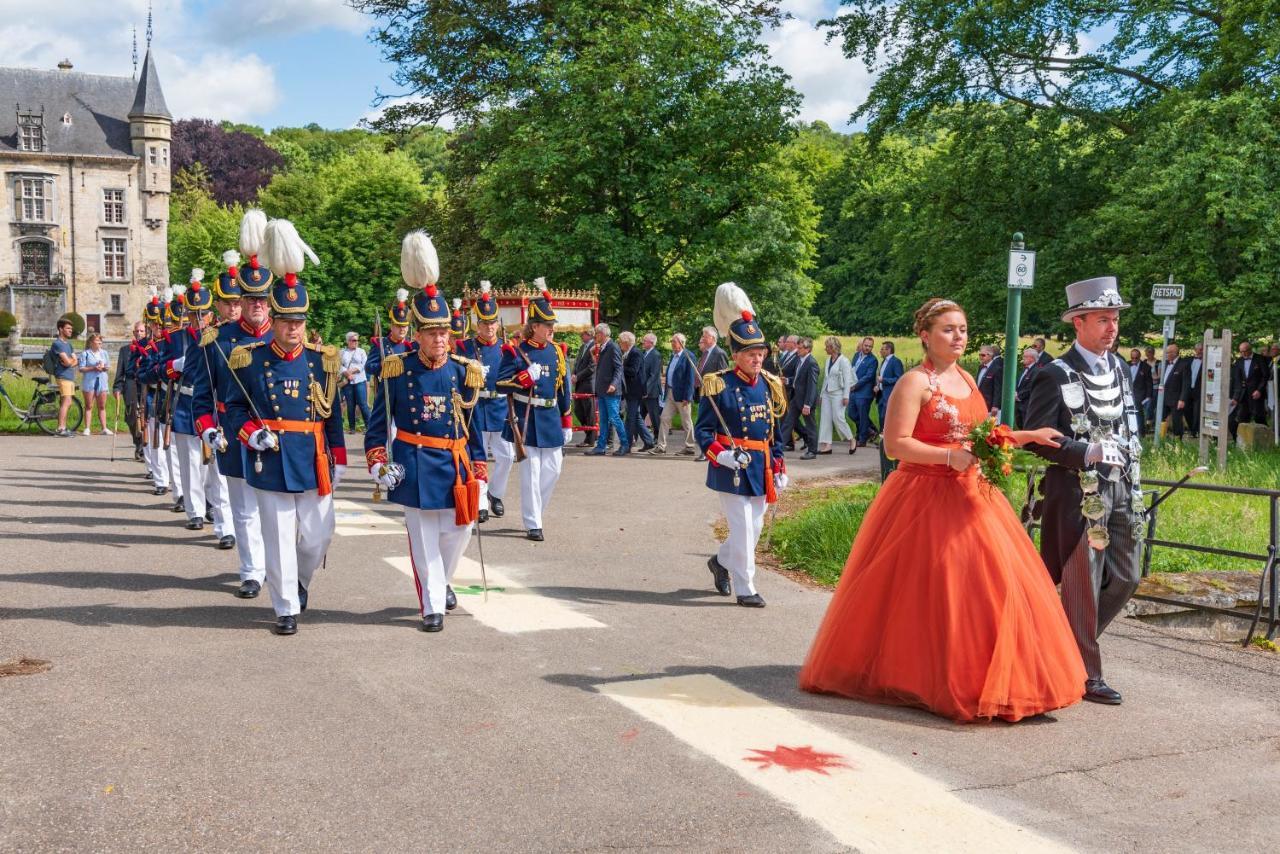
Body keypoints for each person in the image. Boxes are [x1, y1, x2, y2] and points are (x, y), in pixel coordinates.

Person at [800, 297, 1082, 722]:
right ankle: (932, 677)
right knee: (934, 590)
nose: (958, 337)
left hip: (973, 495)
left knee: (992, 585)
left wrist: (1027, 436)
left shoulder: (968, 379)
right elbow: (896, 445)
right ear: (925, 335)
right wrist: (949, 458)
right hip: (922, 494)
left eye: (963, 329)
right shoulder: (915, 382)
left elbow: (982, 435)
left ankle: (994, 676)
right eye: (949, 329)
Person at [1024, 276, 1145, 705]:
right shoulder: (1052, 374)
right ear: (1078, 322)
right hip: (1078, 495)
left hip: (1125, 490)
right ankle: (1086, 673)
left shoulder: (1122, 367)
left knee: (1128, 577)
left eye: (1114, 319)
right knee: (1082, 586)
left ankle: (1061, 643)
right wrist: (1085, 450)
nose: (1111, 328)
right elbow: (1038, 438)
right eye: (1102, 319)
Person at [222, 219, 345, 635]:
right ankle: (285, 607)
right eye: (287, 320)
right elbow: (235, 408)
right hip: (270, 457)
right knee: (276, 536)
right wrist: (250, 434)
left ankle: (299, 582)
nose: (294, 328)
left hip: (312, 458)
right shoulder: (249, 358)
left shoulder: (322, 359)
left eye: (300, 321)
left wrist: (340, 456)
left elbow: (333, 413)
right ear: (274, 318)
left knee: (318, 535)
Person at [366, 231, 486, 632]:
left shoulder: (463, 371)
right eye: (432, 332)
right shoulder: (397, 370)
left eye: (444, 332)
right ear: (417, 333)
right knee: (423, 539)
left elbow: (474, 424)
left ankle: (444, 580)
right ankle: (432, 604)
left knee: (460, 530)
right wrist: (378, 464)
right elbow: (377, 427)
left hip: (454, 462)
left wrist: (480, 468)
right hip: (414, 460)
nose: (440, 339)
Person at [696, 283, 787, 607]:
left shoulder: (770, 385)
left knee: (754, 526)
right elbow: (703, 431)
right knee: (743, 527)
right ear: (736, 354)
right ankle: (746, 587)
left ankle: (721, 562)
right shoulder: (718, 384)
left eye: (760, 353)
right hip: (731, 468)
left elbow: (773, 433)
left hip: (759, 467)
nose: (757, 359)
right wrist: (722, 455)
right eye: (751, 354)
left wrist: (778, 466)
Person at [191, 237, 273, 594]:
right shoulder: (216, 339)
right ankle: (252, 572)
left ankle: (278, 566)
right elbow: (202, 395)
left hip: (276, 435)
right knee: (243, 508)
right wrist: (208, 429)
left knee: (277, 512)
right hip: (234, 433)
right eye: (247, 299)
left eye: (260, 299)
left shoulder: (284, 336)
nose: (253, 305)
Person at [496, 279, 573, 541]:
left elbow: (563, 388)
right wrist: (524, 379)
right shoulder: (516, 352)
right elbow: (500, 383)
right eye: (547, 325)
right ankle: (534, 522)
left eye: (552, 325)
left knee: (554, 469)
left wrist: (567, 420)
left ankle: (536, 510)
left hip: (550, 418)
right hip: (526, 419)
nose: (552, 329)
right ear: (535, 326)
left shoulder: (556, 352)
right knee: (531, 473)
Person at [169, 268, 233, 541]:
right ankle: (195, 511)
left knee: (218, 471)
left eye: (202, 314)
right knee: (191, 463)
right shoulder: (176, 339)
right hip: (188, 405)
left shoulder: (219, 337)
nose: (197, 319)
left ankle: (222, 525)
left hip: (217, 409)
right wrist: (173, 366)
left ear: (210, 313)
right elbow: (159, 369)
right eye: (192, 314)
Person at [454, 280, 512, 522]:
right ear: (477, 324)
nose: (490, 328)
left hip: (499, 407)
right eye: (485, 323)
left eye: (493, 323)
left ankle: (495, 494)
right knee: (477, 455)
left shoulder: (506, 348)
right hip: (475, 408)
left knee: (506, 456)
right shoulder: (465, 347)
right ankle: (480, 503)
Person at [142, 288, 188, 512]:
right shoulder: (156, 347)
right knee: (169, 447)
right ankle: (176, 490)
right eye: (163, 325)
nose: (165, 329)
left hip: (193, 400)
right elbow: (145, 373)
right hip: (162, 397)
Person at [586, 323, 627, 456]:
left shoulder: (613, 347)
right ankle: (601, 446)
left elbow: (618, 368)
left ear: (602, 334)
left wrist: (614, 384)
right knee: (603, 419)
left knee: (614, 418)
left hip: (611, 390)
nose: (595, 336)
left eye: (596, 334)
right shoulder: (603, 347)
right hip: (603, 389)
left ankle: (624, 444)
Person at [654, 332, 697, 455]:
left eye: (674, 341)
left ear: (682, 343)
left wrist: (687, 396)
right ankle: (661, 446)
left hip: (683, 395)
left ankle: (689, 447)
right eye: (672, 341)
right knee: (664, 418)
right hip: (671, 393)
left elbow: (690, 378)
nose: (672, 343)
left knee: (686, 421)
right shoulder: (673, 356)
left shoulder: (689, 356)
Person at [114, 321, 148, 459]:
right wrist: (117, 387)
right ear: (133, 333)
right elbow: (119, 371)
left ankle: (145, 446)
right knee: (132, 417)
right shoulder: (125, 350)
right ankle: (138, 442)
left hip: (145, 385)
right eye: (137, 331)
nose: (139, 333)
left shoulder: (149, 347)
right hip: (130, 385)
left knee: (146, 416)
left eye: (142, 331)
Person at [816, 336, 853, 454]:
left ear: (833, 348)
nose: (825, 349)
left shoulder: (844, 361)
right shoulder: (828, 360)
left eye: (827, 346)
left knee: (838, 418)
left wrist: (846, 396)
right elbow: (826, 379)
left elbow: (847, 380)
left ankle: (851, 439)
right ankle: (827, 445)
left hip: (839, 393)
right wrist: (822, 394)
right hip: (827, 393)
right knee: (825, 418)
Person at [783, 337, 818, 459]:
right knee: (788, 422)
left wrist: (807, 404)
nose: (797, 350)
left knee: (810, 425)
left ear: (808, 349)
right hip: (796, 398)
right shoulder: (800, 360)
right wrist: (787, 380)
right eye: (797, 347)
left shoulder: (811, 363)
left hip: (806, 401)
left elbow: (811, 386)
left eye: (800, 348)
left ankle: (813, 451)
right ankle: (778, 447)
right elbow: (798, 379)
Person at [620, 331, 654, 453]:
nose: (619, 344)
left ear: (626, 342)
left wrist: (620, 366)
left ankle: (627, 445)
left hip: (635, 391)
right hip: (631, 390)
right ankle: (649, 441)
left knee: (630, 418)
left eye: (621, 342)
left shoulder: (636, 353)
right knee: (636, 417)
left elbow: (633, 371)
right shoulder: (629, 353)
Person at [1229, 340, 1270, 439]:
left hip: (1256, 394)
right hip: (1243, 395)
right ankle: (1240, 442)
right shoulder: (1239, 361)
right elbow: (1237, 381)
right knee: (1241, 419)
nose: (1243, 353)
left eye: (1245, 351)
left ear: (1250, 349)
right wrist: (1235, 397)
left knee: (1259, 417)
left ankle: (1266, 439)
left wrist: (1259, 390)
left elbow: (1265, 376)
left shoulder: (1260, 359)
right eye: (1241, 352)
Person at [846, 336, 878, 451]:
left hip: (864, 392)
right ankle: (870, 430)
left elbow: (868, 377)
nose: (867, 348)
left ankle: (862, 439)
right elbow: (851, 370)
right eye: (866, 345)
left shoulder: (873, 360)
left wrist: (856, 385)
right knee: (851, 413)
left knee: (863, 416)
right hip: (853, 391)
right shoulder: (856, 355)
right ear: (862, 345)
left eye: (870, 346)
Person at [49, 317, 78, 437]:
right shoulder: (58, 344)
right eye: (68, 328)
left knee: (68, 402)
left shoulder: (69, 345)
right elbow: (68, 362)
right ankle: (60, 429)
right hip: (63, 376)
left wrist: (71, 361)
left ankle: (64, 427)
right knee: (66, 402)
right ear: (61, 329)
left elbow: (75, 361)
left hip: (69, 376)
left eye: (71, 328)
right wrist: (71, 361)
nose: (70, 330)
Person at [78, 332, 111, 435]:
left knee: (102, 406)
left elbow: (108, 366)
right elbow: (81, 368)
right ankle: (87, 428)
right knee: (89, 405)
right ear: (91, 342)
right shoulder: (85, 354)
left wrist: (104, 368)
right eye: (97, 341)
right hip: (90, 381)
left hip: (102, 381)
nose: (99, 343)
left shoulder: (104, 353)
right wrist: (93, 368)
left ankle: (104, 428)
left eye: (100, 341)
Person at [340, 332, 371, 432]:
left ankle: (369, 427)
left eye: (357, 340)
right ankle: (352, 428)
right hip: (347, 381)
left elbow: (365, 364)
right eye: (354, 340)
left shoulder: (361, 351)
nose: (356, 342)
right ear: (348, 341)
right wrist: (347, 373)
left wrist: (353, 370)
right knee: (350, 405)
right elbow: (339, 365)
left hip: (360, 380)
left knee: (363, 404)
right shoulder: (342, 352)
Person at [571, 329, 596, 447]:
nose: (581, 336)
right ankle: (589, 434)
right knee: (578, 410)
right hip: (580, 383)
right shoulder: (582, 347)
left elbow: (592, 367)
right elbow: (577, 363)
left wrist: (578, 376)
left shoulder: (594, 347)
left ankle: (590, 439)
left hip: (588, 383)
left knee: (589, 411)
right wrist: (574, 374)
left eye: (583, 334)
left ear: (590, 335)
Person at [1159, 344, 1190, 437]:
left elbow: (1186, 384)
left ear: (1174, 353)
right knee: (1160, 418)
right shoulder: (1166, 363)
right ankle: (1161, 438)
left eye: (1168, 353)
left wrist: (1182, 399)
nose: (1166, 354)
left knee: (1177, 421)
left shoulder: (1183, 364)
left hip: (1176, 398)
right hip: (1164, 397)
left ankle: (1178, 442)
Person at [874, 341, 903, 433]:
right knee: (881, 417)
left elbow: (899, 378)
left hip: (890, 394)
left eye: (882, 349)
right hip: (881, 394)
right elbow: (880, 377)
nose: (880, 351)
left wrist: (884, 380)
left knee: (885, 417)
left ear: (889, 350)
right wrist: (877, 386)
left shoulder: (896, 362)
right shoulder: (883, 362)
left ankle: (886, 440)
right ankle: (882, 440)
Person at [639, 332, 663, 443]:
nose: (643, 342)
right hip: (643, 391)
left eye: (645, 340)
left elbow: (654, 375)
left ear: (651, 343)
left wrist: (646, 390)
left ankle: (657, 437)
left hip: (651, 392)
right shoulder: (644, 353)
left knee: (654, 416)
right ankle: (636, 438)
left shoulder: (655, 355)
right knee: (638, 415)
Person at [1125, 348, 1153, 437]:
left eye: (1136, 358)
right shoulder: (1126, 364)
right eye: (1132, 358)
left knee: (1138, 414)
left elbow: (1149, 383)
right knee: (1127, 413)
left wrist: (1148, 396)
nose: (1134, 360)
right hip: (1127, 393)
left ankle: (1141, 433)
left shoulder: (1146, 367)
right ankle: (1128, 432)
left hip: (1139, 394)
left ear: (1140, 357)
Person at [1015, 347, 1042, 428]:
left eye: (1025, 356)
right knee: (1020, 426)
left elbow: (1031, 387)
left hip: (1027, 405)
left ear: (1032, 358)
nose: (1023, 358)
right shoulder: (1025, 369)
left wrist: (1018, 396)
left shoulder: (1036, 371)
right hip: (1019, 404)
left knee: (1027, 427)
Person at [975, 344, 1004, 415]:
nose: (980, 357)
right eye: (980, 355)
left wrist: (995, 405)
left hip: (990, 405)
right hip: (980, 402)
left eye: (983, 355)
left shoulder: (997, 369)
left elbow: (998, 389)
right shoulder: (981, 367)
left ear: (990, 355)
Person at [1183, 342, 1203, 437]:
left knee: (1197, 411)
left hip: (1199, 389)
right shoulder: (1188, 360)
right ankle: (1192, 428)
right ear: (1195, 350)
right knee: (1186, 410)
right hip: (1188, 389)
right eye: (1198, 349)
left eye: (1201, 349)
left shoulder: (1207, 361)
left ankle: (1195, 431)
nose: (1200, 351)